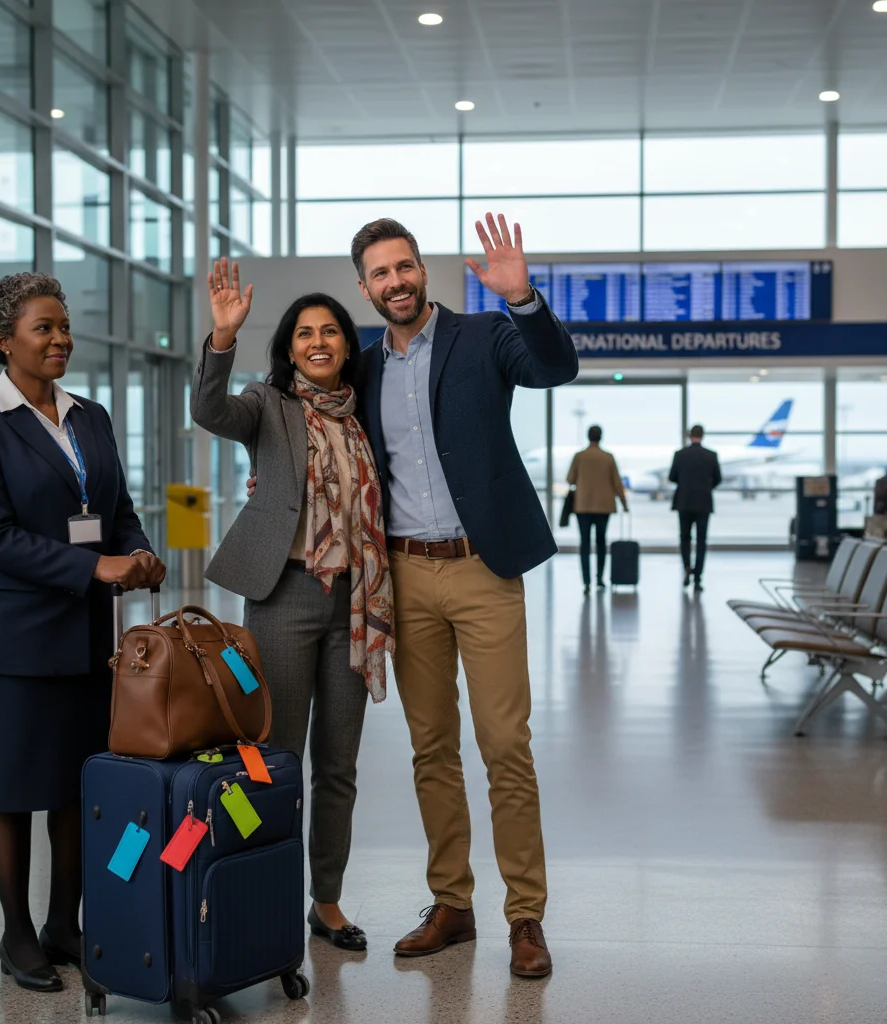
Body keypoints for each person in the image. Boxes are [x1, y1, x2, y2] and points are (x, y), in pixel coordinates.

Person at [354, 214, 577, 977]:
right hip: (406, 572)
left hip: (484, 567)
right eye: (381, 273)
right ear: (366, 287)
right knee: (431, 747)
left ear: (423, 270)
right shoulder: (360, 362)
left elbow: (556, 369)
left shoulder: (482, 335)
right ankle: (451, 901)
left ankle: (526, 915)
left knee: (506, 746)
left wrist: (523, 298)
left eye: (405, 266)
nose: (397, 281)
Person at [0, 273, 165, 993]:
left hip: (82, 638)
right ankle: (16, 934)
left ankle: (63, 923)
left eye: (64, 325)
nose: (61, 338)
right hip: (8, 642)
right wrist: (95, 565)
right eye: (44, 327)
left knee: (78, 790)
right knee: (9, 791)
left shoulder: (90, 418)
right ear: (5, 342)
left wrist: (134, 553)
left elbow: (115, 508)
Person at [190, 259, 393, 953]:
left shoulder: (366, 412)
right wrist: (222, 339)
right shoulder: (266, 406)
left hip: (357, 603)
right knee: (272, 758)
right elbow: (209, 411)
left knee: (338, 765)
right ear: (288, 348)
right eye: (305, 332)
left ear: (346, 343)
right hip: (285, 594)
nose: (318, 341)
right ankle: (262, 889)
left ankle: (326, 902)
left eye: (330, 331)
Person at [566, 425, 628, 594]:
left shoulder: (579, 456)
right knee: (601, 542)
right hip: (603, 507)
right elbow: (617, 482)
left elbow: (570, 479)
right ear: (601, 437)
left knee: (584, 543)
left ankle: (586, 582)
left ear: (588, 436)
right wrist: (624, 503)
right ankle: (600, 578)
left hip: (583, 506)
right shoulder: (608, 457)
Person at [669, 424, 722, 591]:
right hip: (703, 503)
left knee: (684, 538)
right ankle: (698, 578)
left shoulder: (680, 455)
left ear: (689, 436)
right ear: (703, 435)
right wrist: (706, 487)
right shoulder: (711, 456)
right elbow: (718, 478)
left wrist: (685, 485)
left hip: (684, 502)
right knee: (701, 541)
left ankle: (686, 569)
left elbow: (672, 477)